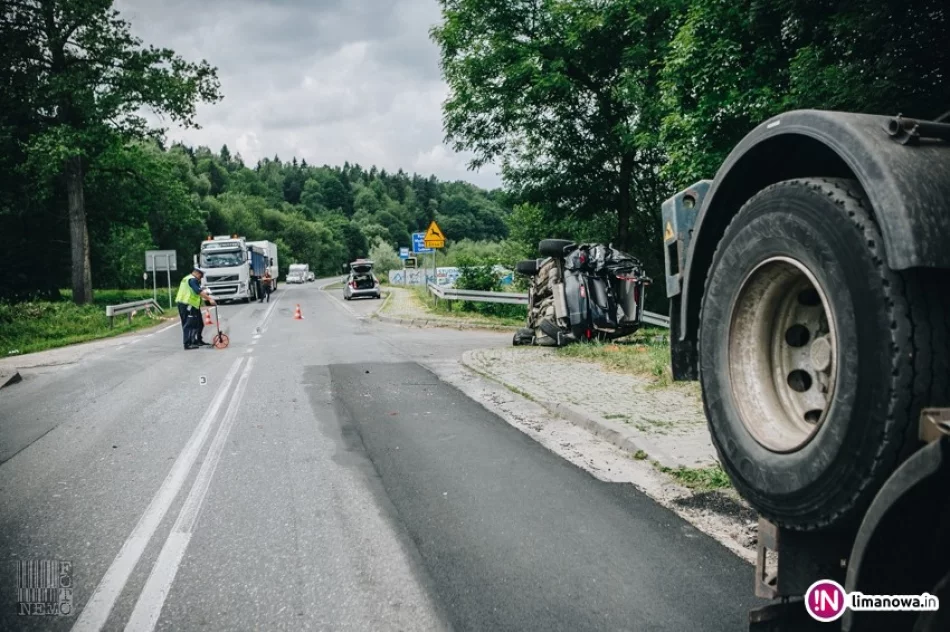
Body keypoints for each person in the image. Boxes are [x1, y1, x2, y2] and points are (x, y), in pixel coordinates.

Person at [176, 267, 216, 350]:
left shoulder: (187, 279)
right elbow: (198, 291)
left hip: (192, 305)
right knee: (189, 324)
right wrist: (210, 299)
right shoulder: (192, 280)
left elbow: (196, 289)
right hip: (187, 305)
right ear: (197, 273)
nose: (201, 278)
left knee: (199, 323)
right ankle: (187, 343)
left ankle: (197, 340)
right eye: (201, 276)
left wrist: (203, 290)